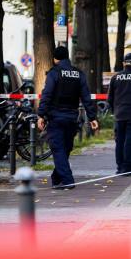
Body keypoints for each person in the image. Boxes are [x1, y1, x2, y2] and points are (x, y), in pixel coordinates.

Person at [37, 46, 98, 190]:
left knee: (58, 149)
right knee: (65, 149)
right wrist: (92, 117)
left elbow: (47, 95)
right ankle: (56, 179)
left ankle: (67, 180)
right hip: (71, 118)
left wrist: (41, 115)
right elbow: (86, 97)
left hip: (56, 117)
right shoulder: (78, 74)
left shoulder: (54, 73)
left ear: (55, 59)